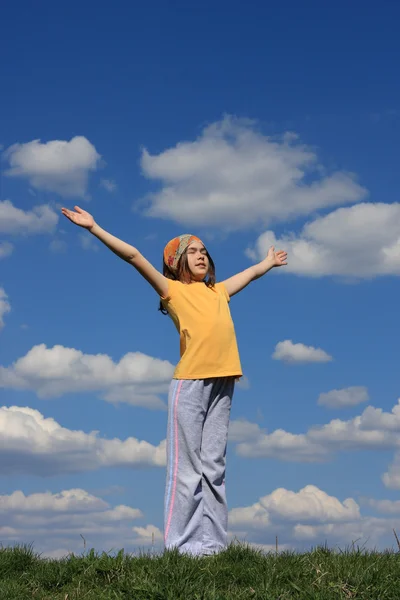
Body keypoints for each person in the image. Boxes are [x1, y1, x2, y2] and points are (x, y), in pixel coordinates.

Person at [61, 205, 288, 556]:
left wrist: (267, 263)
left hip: (224, 381)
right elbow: (134, 256)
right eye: (192, 251)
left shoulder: (219, 292)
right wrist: (94, 227)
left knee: (214, 466)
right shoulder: (171, 290)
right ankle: (181, 547)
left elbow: (251, 274)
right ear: (176, 262)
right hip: (190, 383)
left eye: (204, 251)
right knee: (187, 467)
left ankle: (213, 547)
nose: (201, 255)